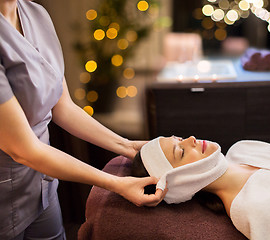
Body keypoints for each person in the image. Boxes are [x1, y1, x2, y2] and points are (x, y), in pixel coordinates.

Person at [0, 0, 165, 239]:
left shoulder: (36, 14)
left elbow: (63, 107)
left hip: (42, 186)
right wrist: (116, 184)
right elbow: (24, 150)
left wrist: (127, 146)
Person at [135, 136, 270, 240]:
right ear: (179, 180)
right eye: (180, 152)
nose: (191, 139)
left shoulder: (242, 149)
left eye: (180, 138)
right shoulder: (254, 209)